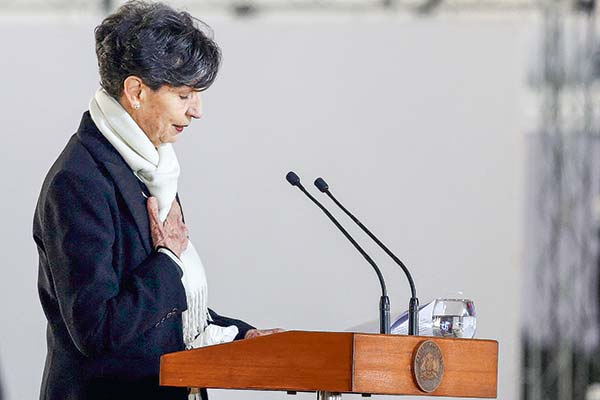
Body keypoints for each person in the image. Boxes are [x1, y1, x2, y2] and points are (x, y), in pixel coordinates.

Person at [33, 2, 281, 399]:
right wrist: (167, 261)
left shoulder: (150, 167)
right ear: (136, 91)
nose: (197, 111)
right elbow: (98, 330)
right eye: (184, 95)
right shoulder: (79, 182)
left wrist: (240, 333)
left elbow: (160, 313)